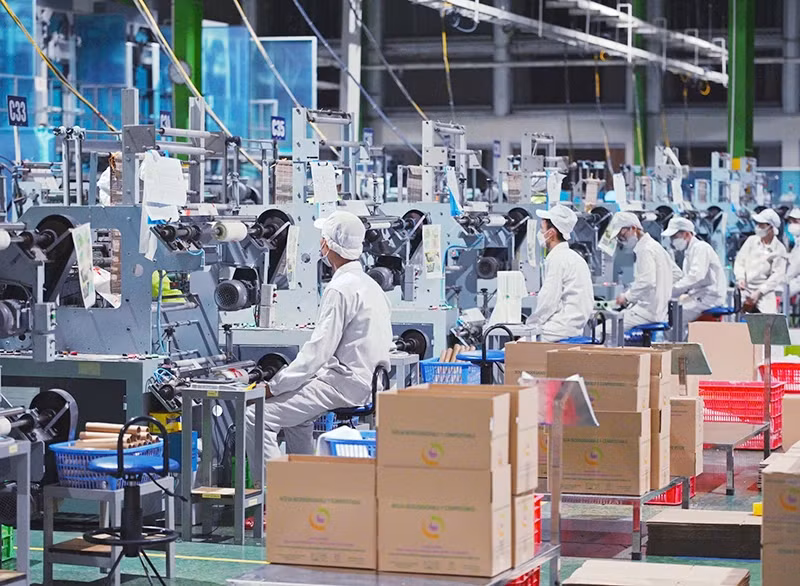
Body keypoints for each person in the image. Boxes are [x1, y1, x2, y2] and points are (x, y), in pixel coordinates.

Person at [245, 211, 393, 461]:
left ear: (327, 244)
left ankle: (276, 492)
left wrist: (274, 386)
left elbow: (319, 352)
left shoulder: (340, 288)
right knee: (297, 419)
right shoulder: (370, 285)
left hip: (346, 384)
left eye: (322, 239)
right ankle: (301, 486)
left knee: (255, 416)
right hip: (372, 381)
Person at [526, 205, 594, 341]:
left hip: (558, 328)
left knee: (512, 352)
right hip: (575, 327)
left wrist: (529, 326)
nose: (539, 233)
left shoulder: (557, 259)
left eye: (542, 229)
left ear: (550, 233)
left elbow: (548, 301)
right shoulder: (575, 257)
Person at [608, 211, 675, 329]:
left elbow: (647, 281)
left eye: (622, 235)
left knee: (602, 331)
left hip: (647, 313)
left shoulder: (645, 249)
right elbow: (676, 274)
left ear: (633, 228)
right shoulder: (655, 246)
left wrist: (627, 296)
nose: (621, 240)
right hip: (658, 310)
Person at [663, 216, 727, 322]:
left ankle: (676, 339)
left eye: (674, 237)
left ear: (687, 234)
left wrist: (672, 290)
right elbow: (687, 280)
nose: (672, 241)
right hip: (699, 294)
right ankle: (681, 338)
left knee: (673, 317)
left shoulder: (701, 248)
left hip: (710, 297)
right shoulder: (689, 252)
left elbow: (695, 276)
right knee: (669, 310)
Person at [733, 208, 788, 313]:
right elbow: (740, 261)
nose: (758, 227)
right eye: (758, 224)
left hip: (765, 293)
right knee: (737, 317)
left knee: (768, 322)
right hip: (745, 288)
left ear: (771, 228)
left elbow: (776, 276)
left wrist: (759, 292)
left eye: (762, 225)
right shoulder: (751, 241)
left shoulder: (779, 249)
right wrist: (740, 278)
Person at [785, 208, 800, 297]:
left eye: (795, 221)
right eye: (791, 222)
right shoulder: (797, 241)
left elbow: (795, 267)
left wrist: (785, 279)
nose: (792, 225)